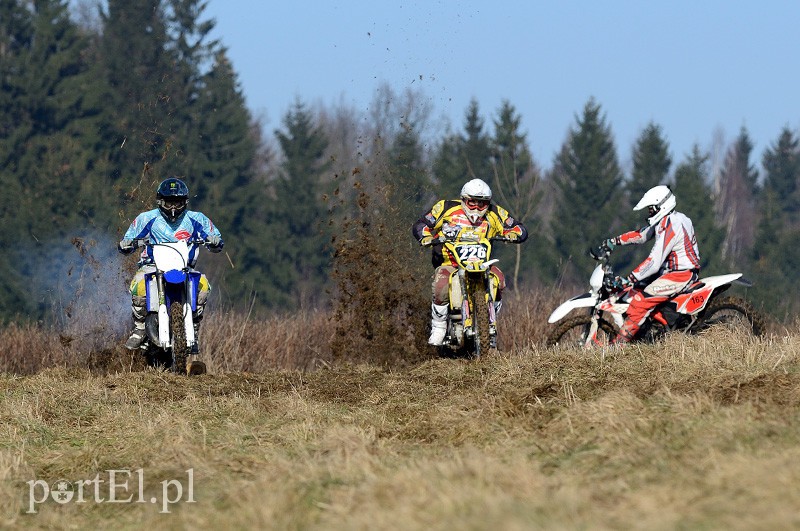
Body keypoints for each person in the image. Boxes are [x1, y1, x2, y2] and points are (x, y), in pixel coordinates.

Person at [412, 178, 528, 346]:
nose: (476, 208)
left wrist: (513, 234)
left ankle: (489, 324)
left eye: (481, 204)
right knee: (441, 284)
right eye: (472, 202)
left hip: (482, 264)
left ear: (487, 203)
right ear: (463, 199)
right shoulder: (445, 207)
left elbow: (519, 227)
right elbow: (421, 224)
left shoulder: (494, 213)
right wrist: (426, 235)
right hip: (449, 262)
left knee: (499, 280)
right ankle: (438, 327)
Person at [118, 177, 224, 352]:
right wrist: (127, 243)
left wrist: (214, 241)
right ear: (160, 201)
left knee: (204, 286)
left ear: (185, 202)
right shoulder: (147, 218)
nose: (173, 208)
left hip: (185, 267)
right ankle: (140, 327)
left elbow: (217, 240)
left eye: (178, 203)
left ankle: (194, 328)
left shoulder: (197, 219)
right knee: (138, 285)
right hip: (152, 264)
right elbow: (128, 239)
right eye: (169, 203)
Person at [598, 184, 700, 344]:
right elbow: (641, 235)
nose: (649, 213)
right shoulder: (673, 219)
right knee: (637, 289)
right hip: (673, 273)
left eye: (651, 209)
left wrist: (629, 279)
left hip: (680, 275)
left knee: (639, 302)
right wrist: (614, 241)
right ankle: (653, 332)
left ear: (661, 205)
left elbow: (654, 261)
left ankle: (618, 347)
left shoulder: (670, 225)